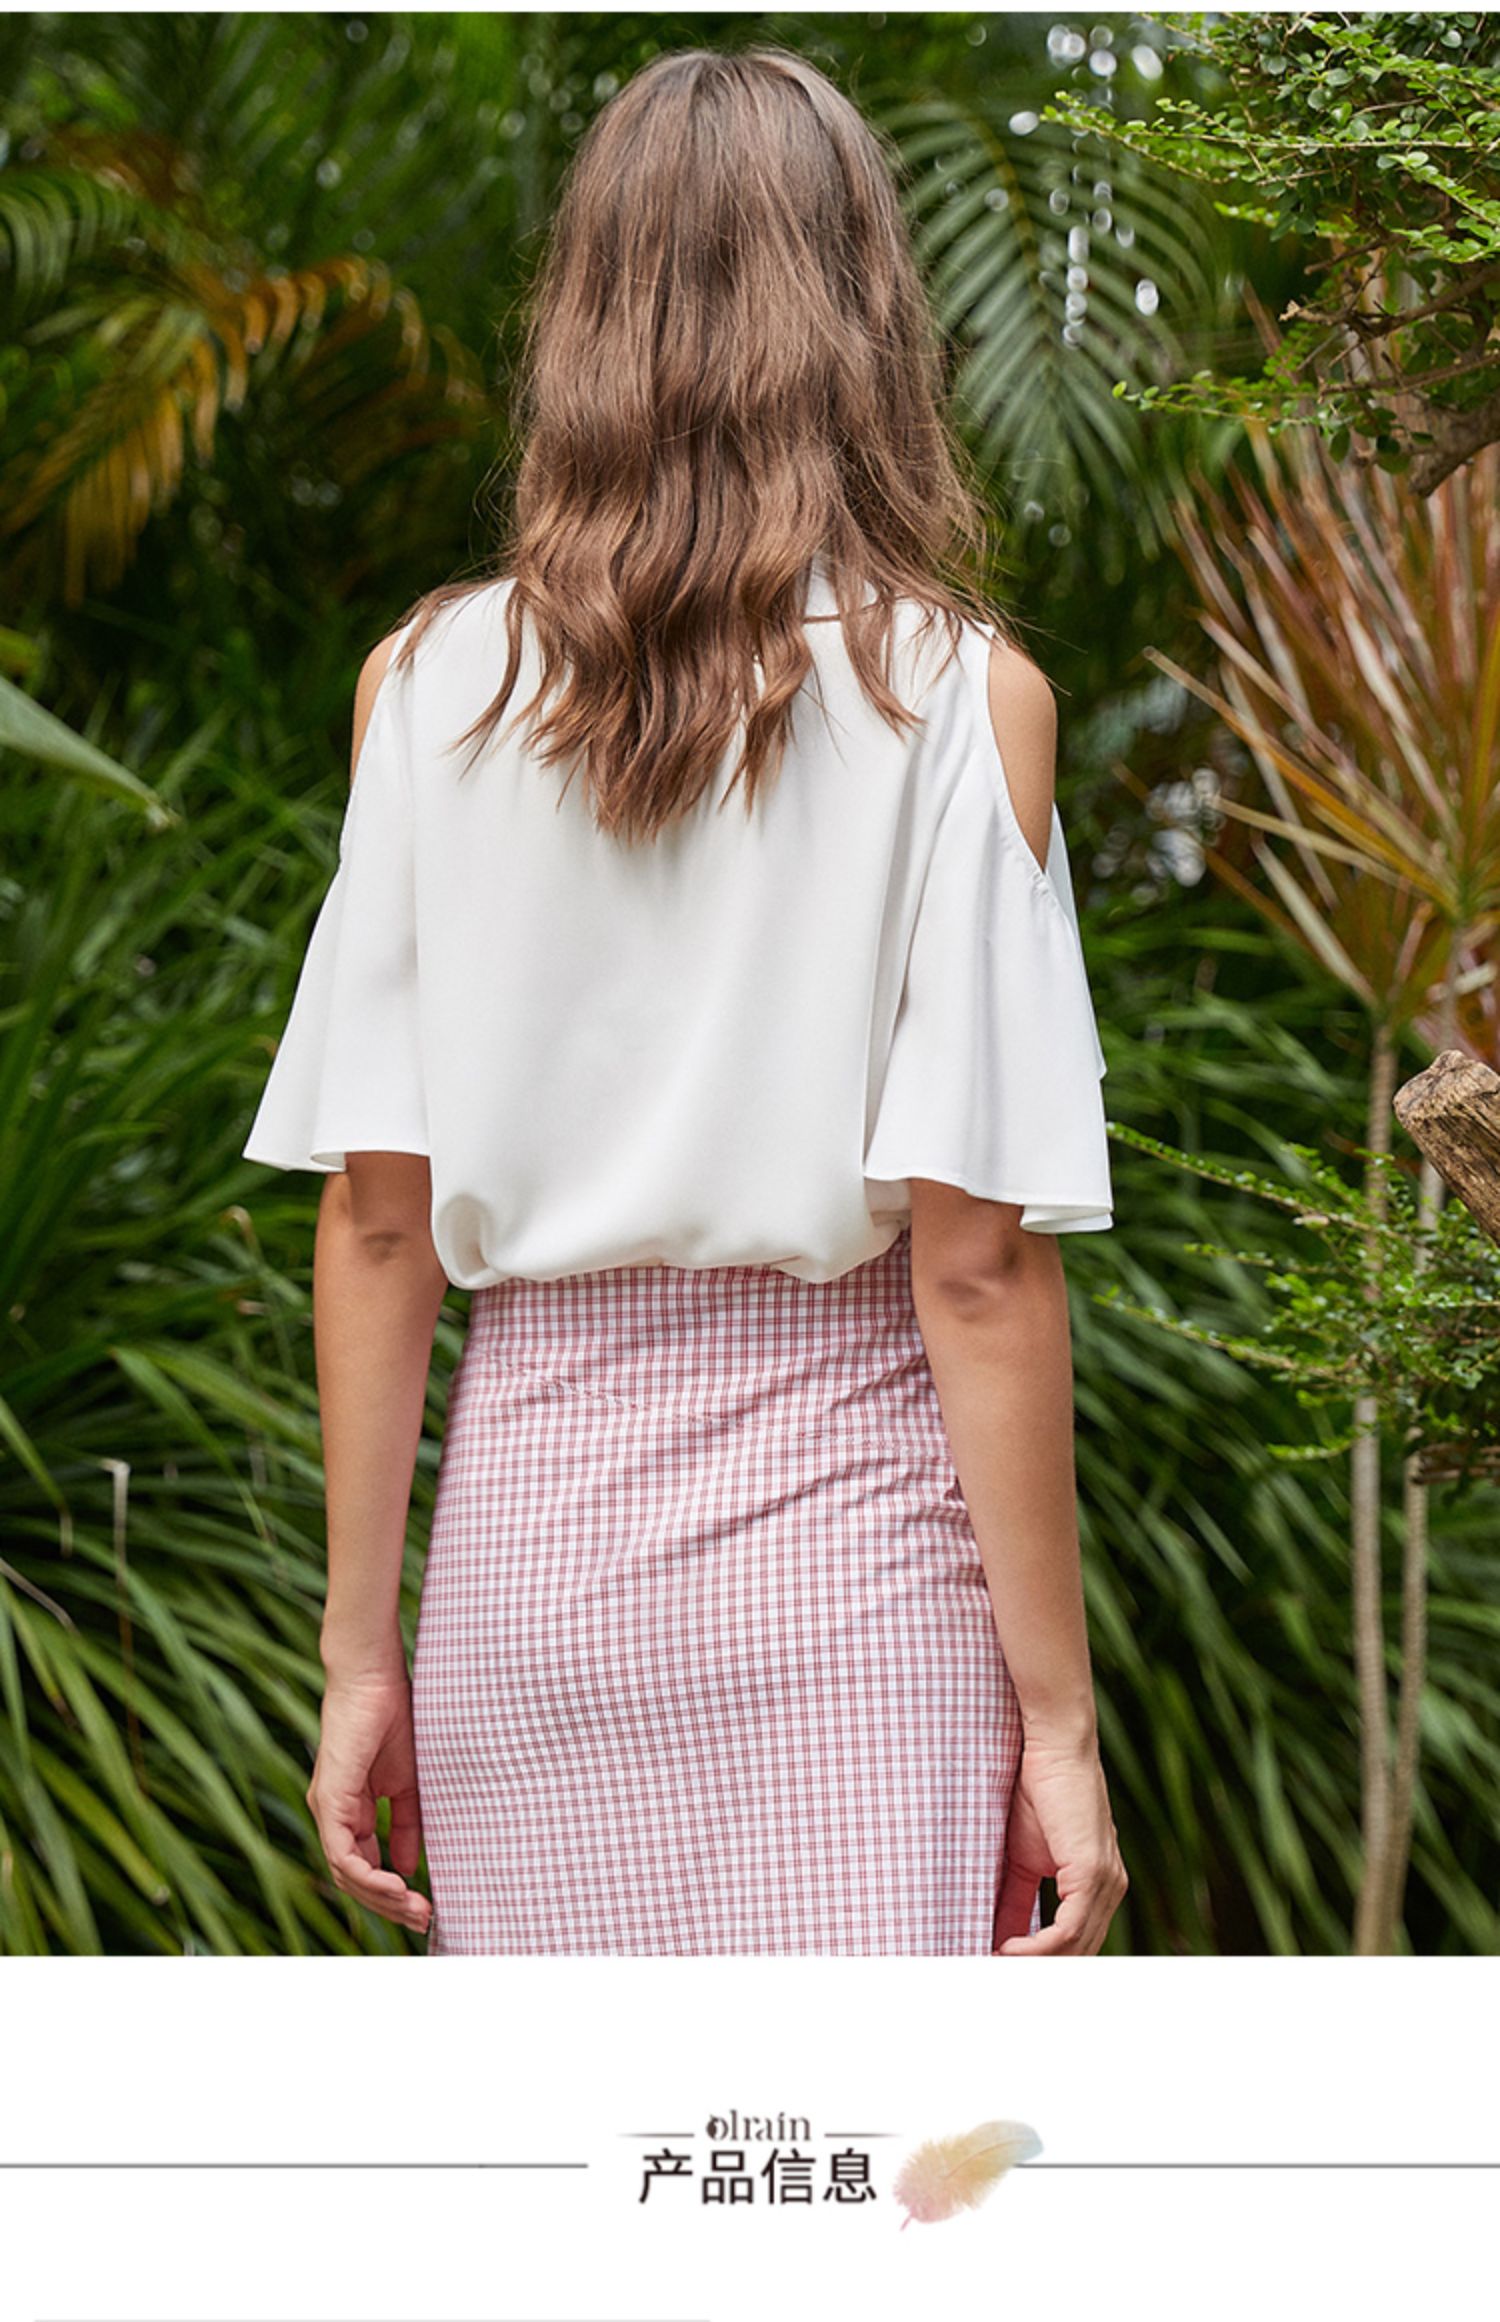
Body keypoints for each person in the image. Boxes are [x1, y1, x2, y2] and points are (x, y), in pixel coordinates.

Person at [241, 42, 1128, 1957]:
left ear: (581, 321)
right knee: (852, 2139)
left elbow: (379, 1220)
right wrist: (1058, 1722)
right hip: (852, 1583)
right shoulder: (961, 703)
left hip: (530, 1579)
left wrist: (358, 1654)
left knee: (579, 2145)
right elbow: (977, 1268)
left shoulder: (427, 688)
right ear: (870, 318)